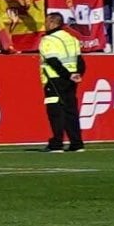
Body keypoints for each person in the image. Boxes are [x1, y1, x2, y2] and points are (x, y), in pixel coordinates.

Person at [38, 16, 86, 154]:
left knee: (55, 111)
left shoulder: (48, 40)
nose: (45, 24)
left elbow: (53, 61)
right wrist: (77, 74)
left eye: (47, 21)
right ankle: (77, 143)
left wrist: (67, 74)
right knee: (71, 110)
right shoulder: (71, 38)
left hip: (54, 78)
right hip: (71, 80)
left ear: (53, 23)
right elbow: (80, 60)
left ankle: (57, 143)